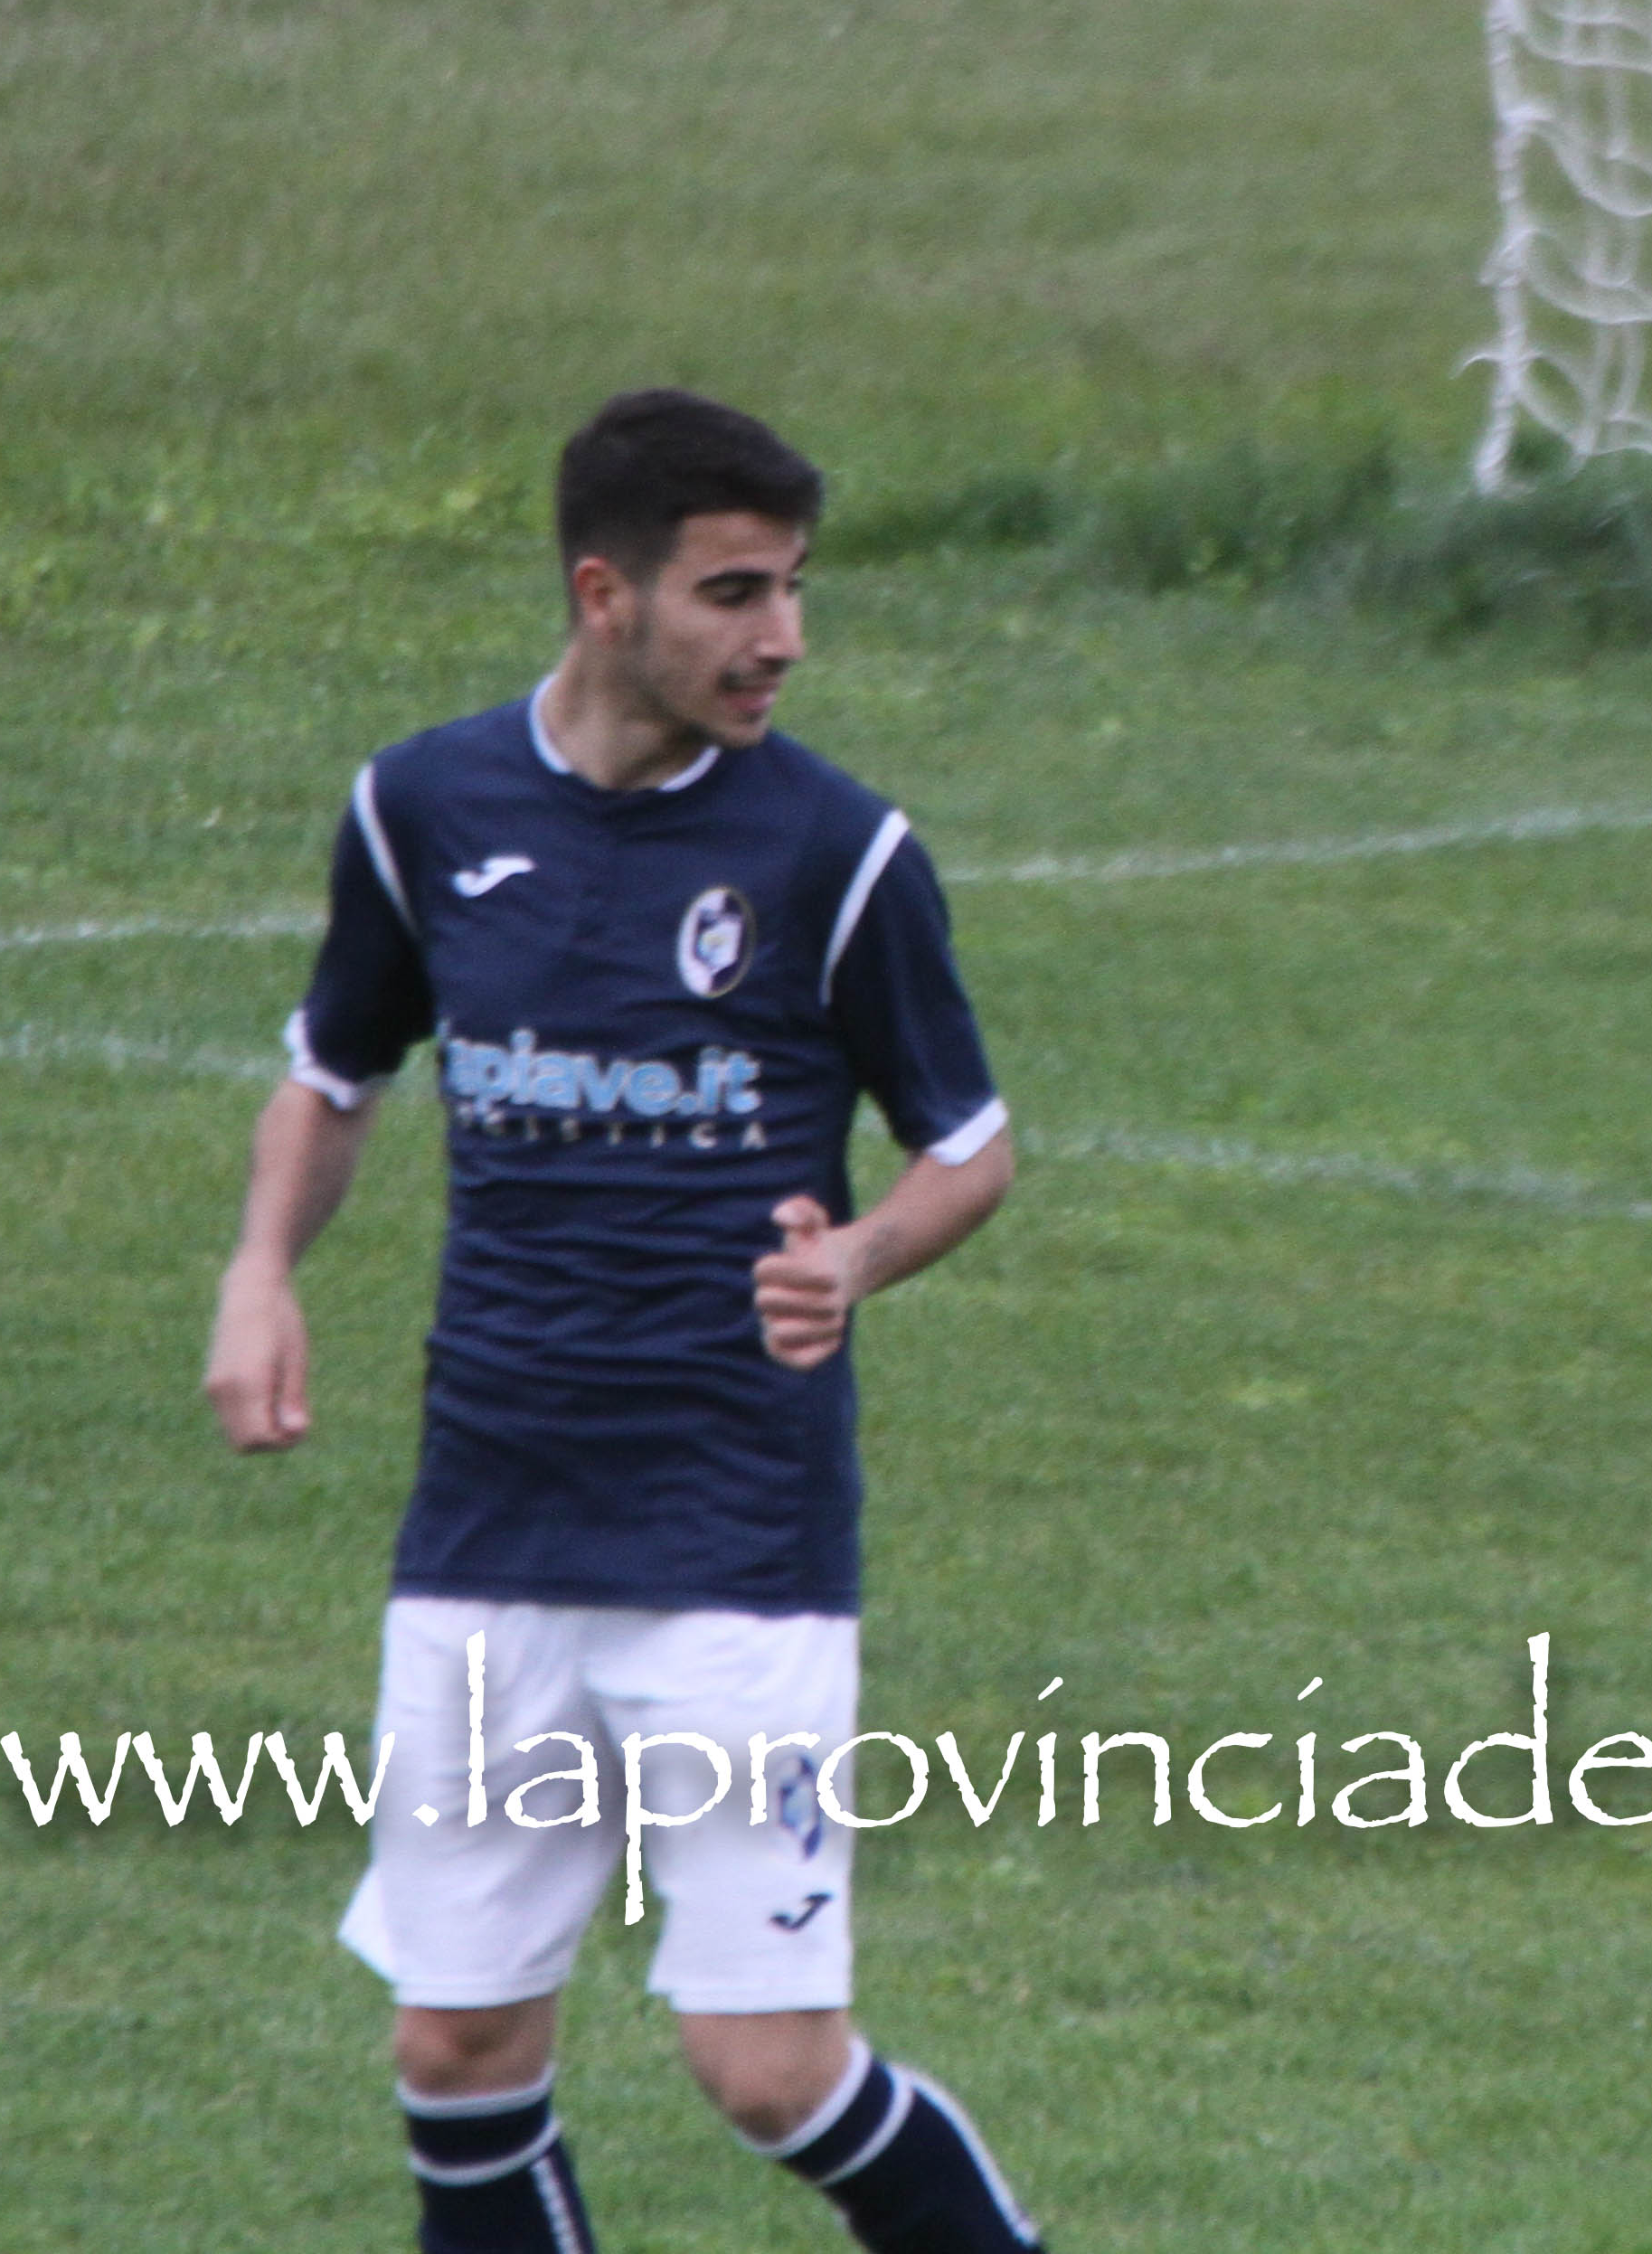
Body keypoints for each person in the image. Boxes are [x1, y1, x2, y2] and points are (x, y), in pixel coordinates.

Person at [205, 387, 1043, 2254]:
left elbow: (969, 1148)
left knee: (769, 2072)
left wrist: (860, 1259)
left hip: (735, 1539)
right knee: (457, 2047)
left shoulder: (837, 854)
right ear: (607, 594)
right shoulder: (424, 810)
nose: (783, 636)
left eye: (795, 588)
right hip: (489, 1523)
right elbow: (334, 1075)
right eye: (736, 592)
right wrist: (261, 1271)